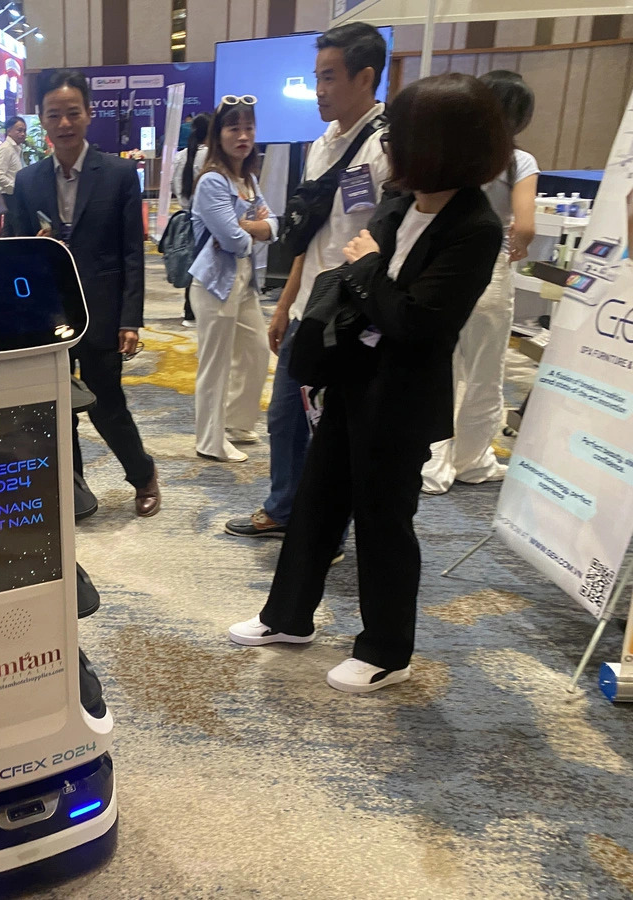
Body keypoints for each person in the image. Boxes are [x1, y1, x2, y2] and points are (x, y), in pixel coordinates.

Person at [228, 73, 509, 693]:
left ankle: (386, 649)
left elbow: (417, 323)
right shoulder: (400, 203)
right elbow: (371, 291)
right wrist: (371, 278)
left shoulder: (475, 226)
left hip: (403, 398)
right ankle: (288, 616)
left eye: (401, 137)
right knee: (318, 502)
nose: (389, 149)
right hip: (353, 376)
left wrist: (368, 271)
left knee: (384, 522)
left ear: (439, 144)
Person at [224, 22, 388, 540]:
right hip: (307, 309)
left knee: (333, 427)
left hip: (351, 317)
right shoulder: (321, 144)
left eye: (330, 77)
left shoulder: (387, 150)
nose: (318, 89)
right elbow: (308, 236)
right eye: (316, 76)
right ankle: (284, 507)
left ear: (365, 78)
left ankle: (327, 531)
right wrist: (284, 305)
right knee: (286, 420)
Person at [7, 70, 161, 518]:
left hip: (102, 312)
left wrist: (130, 319)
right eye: (54, 115)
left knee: (105, 405)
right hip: (47, 316)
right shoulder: (28, 180)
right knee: (56, 409)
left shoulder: (116, 175)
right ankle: (73, 489)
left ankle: (142, 473)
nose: (64, 123)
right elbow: (16, 252)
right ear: (42, 120)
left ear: (89, 114)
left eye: (73, 113)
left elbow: (133, 252)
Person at [421, 70, 538, 494]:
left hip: (449, 270)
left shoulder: (454, 157)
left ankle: (432, 463)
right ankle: (471, 460)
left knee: (443, 366)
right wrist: (514, 247)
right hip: (492, 273)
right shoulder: (518, 162)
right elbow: (524, 226)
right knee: (486, 372)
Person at [188, 98, 275, 463]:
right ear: (218, 135)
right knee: (216, 362)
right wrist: (253, 228)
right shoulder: (212, 181)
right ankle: (209, 439)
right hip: (213, 284)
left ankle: (237, 422)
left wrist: (249, 227)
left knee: (256, 350)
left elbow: (274, 226)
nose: (242, 135)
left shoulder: (249, 179)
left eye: (248, 128)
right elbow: (233, 241)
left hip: (244, 283)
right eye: (233, 128)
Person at [171, 112, 210, 327]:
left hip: (187, 216)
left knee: (192, 264)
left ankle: (189, 312)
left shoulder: (181, 156)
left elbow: (176, 189)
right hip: (207, 220)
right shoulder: (211, 156)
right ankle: (197, 312)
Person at [0, 115, 27, 196]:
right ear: (9, 131)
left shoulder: (17, 148)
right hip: (8, 196)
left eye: (24, 131)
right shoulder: (5, 148)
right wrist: (15, 188)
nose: (23, 134)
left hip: (16, 194)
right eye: (19, 130)